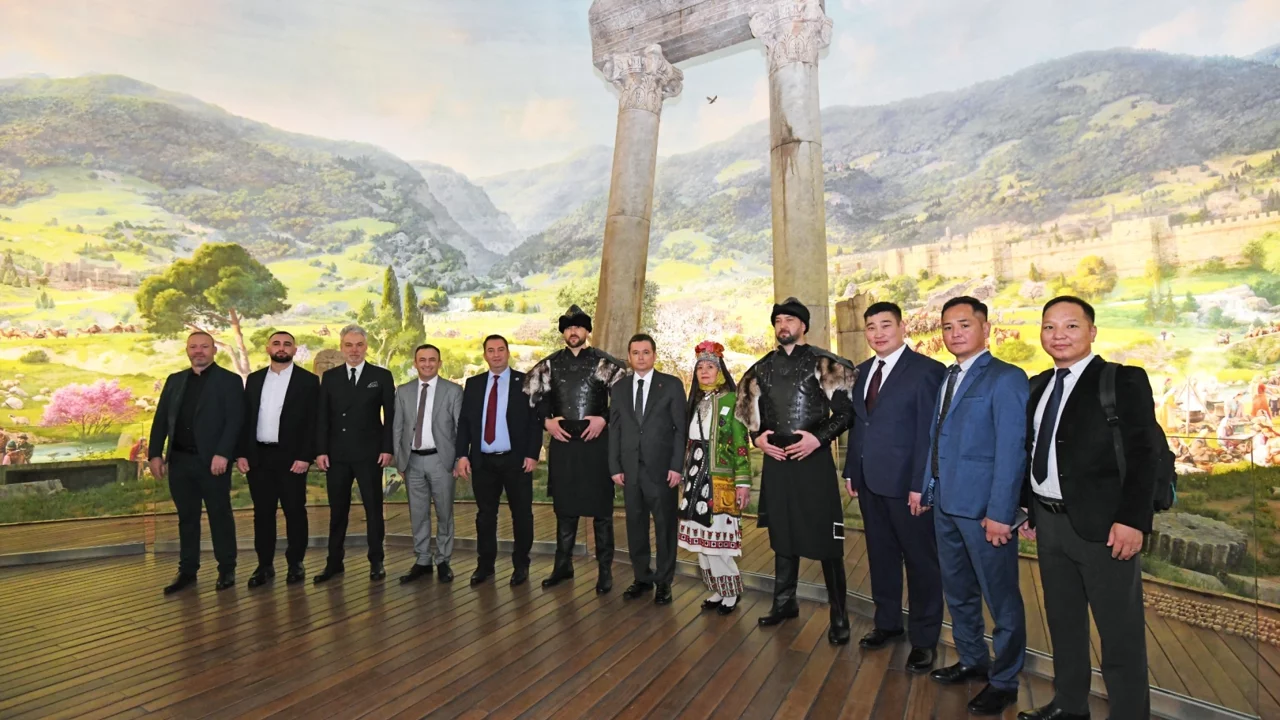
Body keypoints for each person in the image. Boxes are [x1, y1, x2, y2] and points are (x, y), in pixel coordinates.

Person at [1017, 296, 1155, 720]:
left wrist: (1132, 520)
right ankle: (1070, 705)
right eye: (1050, 327)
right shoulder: (1038, 385)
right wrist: (1028, 508)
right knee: (1063, 623)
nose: (1059, 335)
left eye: (1071, 326)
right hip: (1050, 525)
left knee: (1119, 633)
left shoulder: (1121, 381)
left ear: (1092, 331)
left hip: (1106, 529)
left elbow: (1144, 454)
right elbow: (1033, 451)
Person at [923, 296, 1028, 716]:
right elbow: (937, 439)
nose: (955, 333)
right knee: (959, 591)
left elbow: (1012, 450)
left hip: (986, 511)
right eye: (947, 327)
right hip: (946, 504)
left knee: (1001, 599)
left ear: (986, 328)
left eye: (964, 325)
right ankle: (972, 659)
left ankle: (1004, 681)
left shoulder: (1006, 378)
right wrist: (927, 490)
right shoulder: (949, 376)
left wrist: (1001, 513)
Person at [736, 297, 857, 645]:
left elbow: (846, 413)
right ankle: (784, 603)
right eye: (778, 321)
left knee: (827, 539)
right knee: (782, 533)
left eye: (790, 320)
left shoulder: (826, 364)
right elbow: (749, 416)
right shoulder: (760, 369)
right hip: (777, 462)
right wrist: (758, 439)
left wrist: (818, 439)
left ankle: (839, 615)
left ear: (804, 326)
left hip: (813, 462)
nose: (783, 325)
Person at [842, 301, 946, 673]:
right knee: (880, 557)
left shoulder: (927, 371)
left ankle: (924, 639)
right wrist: (851, 470)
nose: (878, 333)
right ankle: (887, 623)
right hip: (869, 483)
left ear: (903, 328)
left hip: (908, 487)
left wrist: (923, 485)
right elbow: (860, 425)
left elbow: (929, 434)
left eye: (886, 325)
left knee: (921, 563)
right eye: (871, 327)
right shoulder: (861, 372)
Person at [525, 304, 628, 594]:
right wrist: (547, 422)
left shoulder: (605, 363)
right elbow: (535, 399)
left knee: (602, 512)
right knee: (565, 510)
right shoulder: (548, 365)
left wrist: (603, 419)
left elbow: (622, 401)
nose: (573, 331)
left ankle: (605, 571)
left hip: (596, 445)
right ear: (563, 333)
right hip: (563, 445)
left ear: (587, 331)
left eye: (579, 326)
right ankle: (563, 567)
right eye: (569, 327)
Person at [148, 331, 245, 594]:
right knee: (186, 518)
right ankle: (187, 571)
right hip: (179, 462)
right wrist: (155, 454)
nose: (199, 351)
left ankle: (227, 568)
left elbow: (235, 421)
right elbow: (161, 419)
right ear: (187, 350)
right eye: (193, 347)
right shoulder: (175, 380)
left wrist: (224, 453)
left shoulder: (230, 381)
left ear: (214, 350)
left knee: (219, 516)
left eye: (204, 346)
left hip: (213, 462)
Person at [455, 335, 543, 587]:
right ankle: (485, 565)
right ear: (485, 355)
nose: (496, 354)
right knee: (485, 516)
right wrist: (462, 455)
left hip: (516, 461)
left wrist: (532, 454)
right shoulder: (473, 384)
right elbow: (465, 423)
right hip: (483, 462)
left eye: (500, 349)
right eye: (491, 350)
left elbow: (535, 422)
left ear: (508, 352)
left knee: (522, 515)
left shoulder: (525, 382)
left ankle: (521, 565)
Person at [235, 331, 319, 588]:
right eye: (276, 343)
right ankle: (264, 565)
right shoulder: (254, 379)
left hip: (292, 459)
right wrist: (242, 453)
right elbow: (245, 419)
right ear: (267, 348)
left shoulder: (308, 381)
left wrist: (305, 457)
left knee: (295, 511)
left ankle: (296, 563)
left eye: (287, 344)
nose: (281, 348)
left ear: (294, 350)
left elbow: (313, 422)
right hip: (259, 457)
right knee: (262, 514)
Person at [609, 333, 688, 605]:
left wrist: (677, 467)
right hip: (630, 470)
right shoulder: (619, 388)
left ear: (654, 355)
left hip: (662, 471)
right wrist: (614, 466)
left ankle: (664, 582)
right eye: (635, 352)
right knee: (635, 526)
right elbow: (615, 430)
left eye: (646, 352)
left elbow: (680, 430)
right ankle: (642, 578)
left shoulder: (671, 385)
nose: (641, 357)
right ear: (629, 357)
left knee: (665, 527)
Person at [314, 324, 396, 584]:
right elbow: (322, 417)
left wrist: (387, 448)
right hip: (336, 455)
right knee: (338, 512)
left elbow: (391, 417)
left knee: (374, 509)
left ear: (366, 347)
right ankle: (334, 562)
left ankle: (377, 561)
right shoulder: (330, 377)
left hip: (370, 454)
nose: (354, 350)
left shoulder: (381, 376)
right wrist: (321, 450)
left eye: (359, 345)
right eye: (348, 345)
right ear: (341, 347)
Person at [676, 340, 752, 615]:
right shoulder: (697, 401)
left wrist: (743, 482)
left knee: (718, 541)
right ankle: (718, 590)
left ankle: (731, 592)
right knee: (701, 541)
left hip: (720, 479)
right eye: (700, 368)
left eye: (710, 367)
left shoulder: (732, 400)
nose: (704, 372)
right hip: (695, 475)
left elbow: (741, 443)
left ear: (720, 371)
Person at [393, 344, 463, 584]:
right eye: (422, 360)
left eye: (432, 359)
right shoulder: (403, 391)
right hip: (412, 461)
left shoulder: (453, 391)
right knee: (418, 513)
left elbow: (459, 428)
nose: (427, 364)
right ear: (415, 363)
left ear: (439, 363)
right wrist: (400, 461)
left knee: (444, 513)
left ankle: (443, 560)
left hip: (441, 461)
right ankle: (422, 559)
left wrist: (458, 459)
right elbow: (397, 428)